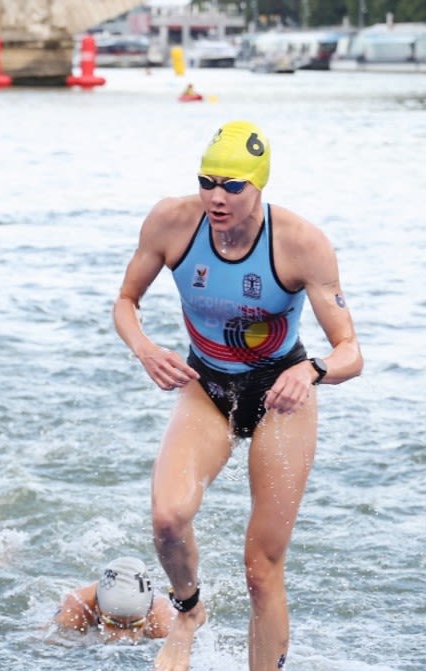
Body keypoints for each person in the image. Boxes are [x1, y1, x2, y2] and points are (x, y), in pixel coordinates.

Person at [111, 120, 362, 670]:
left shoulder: (300, 242)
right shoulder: (172, 222)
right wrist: (146, 349)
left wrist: (313, 370)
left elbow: (351, 352)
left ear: (260, 186)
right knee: (168, 518)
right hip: (207, 387)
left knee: (261, 567)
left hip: (280, 395)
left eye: (232, 186)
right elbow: (126, 302)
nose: (216, 197)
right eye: (207, 181)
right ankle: (189, 610)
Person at [54, 556, 174, 643]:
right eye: (113, 623)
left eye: (135, 624)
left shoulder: (163, 622)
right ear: (98, 609)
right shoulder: (76, 609)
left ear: (148, 613)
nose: (123, 637)